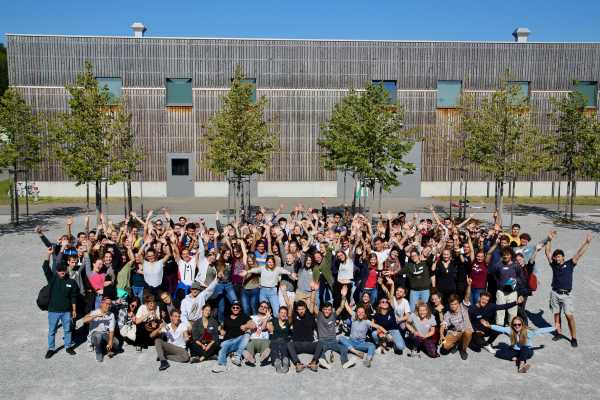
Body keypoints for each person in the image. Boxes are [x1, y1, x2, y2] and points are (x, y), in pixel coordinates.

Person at [545, 231, 592, 347]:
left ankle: (573, 337)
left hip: (566, 295)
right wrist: (549, 240)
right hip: (555, 293)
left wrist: (586, 243)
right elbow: (547, 252)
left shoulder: (570, 264)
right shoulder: (554, 265)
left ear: (563, 257)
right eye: (555, 257)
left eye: (559, 256)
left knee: (569, 316)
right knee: (556, 314)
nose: (557, 258)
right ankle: (559, 332)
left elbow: (579, 254)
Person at [42, 247, 78, 359]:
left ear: (66, 270)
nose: (62, 272)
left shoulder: (71, 282)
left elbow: (73, 297)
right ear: (57, 271)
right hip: (53, 311)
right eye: (60, 270)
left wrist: (74, 310)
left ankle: (68, 346)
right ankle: (51, 348)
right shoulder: (53, 279)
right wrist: (48, 254)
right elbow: (45, 267)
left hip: (66, 311)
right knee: (52, 330)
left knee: (67, 330)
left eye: (63, 270)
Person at [490, 316, 555, 373]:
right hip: (516, 351)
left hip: (527, 351)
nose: (517, 326)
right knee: (497, 353)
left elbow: (540, 330)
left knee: (525, 348)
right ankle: (517, 358)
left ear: (522, 324)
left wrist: (554, 328)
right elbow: (501, 328)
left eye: (519, 324)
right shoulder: (511, 330)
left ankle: (521, 365)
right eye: (515, 324)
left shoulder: (528, 331)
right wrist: (490, 326)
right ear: (512, 325)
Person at [315, 285, 356, 369]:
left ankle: (345, 362)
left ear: (331, 310)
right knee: (318, 349)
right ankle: (324, 362)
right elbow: (312, 306)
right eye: (325, 309)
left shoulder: (333, 315)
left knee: (344, 348)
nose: (327, 311)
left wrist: (344, 296)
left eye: (329, 309)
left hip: (333, 341)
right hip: (323, 341)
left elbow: (341, 307)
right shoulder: (319, 316)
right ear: (322, 310)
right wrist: (314, 291)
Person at [212, 301, 254, 373]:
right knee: (223, 347)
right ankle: (222, 366)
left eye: (237, 307)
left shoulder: (244, 316)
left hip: (239, 340)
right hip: (228, 341)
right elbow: (221, 327)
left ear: (240, 309)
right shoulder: (226, 317)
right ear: (231, 308)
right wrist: (221, 329)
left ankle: (238, 356)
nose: (235, 309)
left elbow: (253, 325)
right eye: (233, 307)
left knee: (247, 335)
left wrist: (246, 326)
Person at [339, 303, 385, 367]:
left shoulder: (367, 322)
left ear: (364, 313)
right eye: (359, 312)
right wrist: (344, 296)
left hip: (361, 344)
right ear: (356, 313)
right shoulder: (353, 317)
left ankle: (368, 360)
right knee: (340, 338)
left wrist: (386, 332)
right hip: (351, 342)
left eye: (362, 312)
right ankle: (356, 352)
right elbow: (347, 307)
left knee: (372, 345)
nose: (360, 313)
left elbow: (378, 326)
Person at [287, 299, 322, 372]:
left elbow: (312, 303)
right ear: (296, 310)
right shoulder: (294, 316)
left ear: (305, 308)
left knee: (320, 343)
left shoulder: (310, 316)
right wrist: (290, 305)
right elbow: (289, 316)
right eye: (299, 309)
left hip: (309, 344)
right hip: (297, 344)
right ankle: (297, 364)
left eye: (302, 309)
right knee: (289, 344)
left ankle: (313, 362)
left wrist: (313, 291)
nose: (301, 311)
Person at [82, 296, 120, 362]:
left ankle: (106, 347)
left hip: (105, 334)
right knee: (98, 336)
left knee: (116, 343)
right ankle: (98, 352)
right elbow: (84, 320)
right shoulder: (95, 312)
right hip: (95, 335)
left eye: (110, 304)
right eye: (106, 304)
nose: (108, 306)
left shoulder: (111, 315)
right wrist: (95, 316)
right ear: (101, 303)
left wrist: (110, 341)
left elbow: (111, 330)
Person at [440, 294, 473, 360]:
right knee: (444, 349)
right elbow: (443, 325)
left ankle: (463, 350)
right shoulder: (447, 313)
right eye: (451, 304)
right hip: (455, 332)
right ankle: (455, 344)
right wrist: (441, 334)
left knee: (468, 332)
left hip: (465, 331)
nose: (453, 306)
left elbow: (467, 296)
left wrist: (469, 285)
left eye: (455, 304)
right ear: (449, 304)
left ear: (458, 303)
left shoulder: (463, 307)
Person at [243, 301, 272, 367]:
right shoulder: (252, 317)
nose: (262, 308)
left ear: (268, 310)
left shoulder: (270, 318)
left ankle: (263, 357)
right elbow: (250, 326)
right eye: (261, 306)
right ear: (258, 307)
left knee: (266, 345)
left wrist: (266, 318)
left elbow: (269, 328)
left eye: (265, 307)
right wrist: (261, 319)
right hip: (253, 340)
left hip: (264, 340)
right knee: (250, 344)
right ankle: (250, 357)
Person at [267, 305, 293, 374]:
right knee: (274, 347)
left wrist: (290, 305)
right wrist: (269, 322)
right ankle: (277, 361)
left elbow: (290, 316)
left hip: (285, 340)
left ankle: (285, 361)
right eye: (281, 312)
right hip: (274, 339)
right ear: (278, 314)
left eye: (285, 313)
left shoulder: (288, 322)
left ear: (287, 314)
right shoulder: (274, 320)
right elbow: (269, 326)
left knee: (284, 348)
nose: (283, 314)